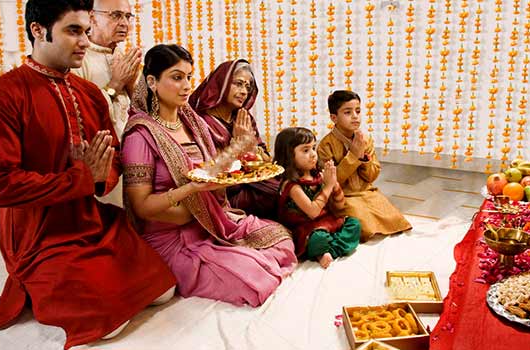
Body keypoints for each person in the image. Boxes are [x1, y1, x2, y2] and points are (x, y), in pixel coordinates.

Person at [0, 1, 176, 348]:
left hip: (92, 222)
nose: (84, 41)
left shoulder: (89, 94)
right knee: (107, 324)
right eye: (73, 31)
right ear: (38, 30)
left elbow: (115, 158)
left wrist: (98, 175)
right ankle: (45, 285)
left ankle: (86, 280)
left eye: (86, 32)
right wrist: (80, 177)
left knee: (164, 290)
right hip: (40, 237)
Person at [123, 44, 297, 307]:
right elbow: (141, 207)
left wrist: (237, 150)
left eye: (189, 77)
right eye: (177, 77)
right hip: (172, 237)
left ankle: (238, 254)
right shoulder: (140, 135)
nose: (187, 86)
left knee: (282, 238)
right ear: (152, 81)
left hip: (212, 222)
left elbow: (210, 174)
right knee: (256, 280)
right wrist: (189, 194)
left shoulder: (192, 123)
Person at [72, 0, 142, 207]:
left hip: (132, 151)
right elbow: (77, 113)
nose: (124, 23)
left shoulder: (122, 56)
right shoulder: (78, 59)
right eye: (116, 15)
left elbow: (144, 110)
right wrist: (115, 84)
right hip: (101, 157)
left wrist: (131, 84)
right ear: (92, 16)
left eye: (128, 17)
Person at [188, 59, 278, 219]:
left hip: (254, 183)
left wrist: (249, 148)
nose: (244, 91)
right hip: (224, 193)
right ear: (221, 84)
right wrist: (237, 145)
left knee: (291, 187)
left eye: (247, 87)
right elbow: (209, 168)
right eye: (238, 84)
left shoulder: (243, 117)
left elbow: (266, 160)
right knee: (282, 196)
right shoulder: (201, 122)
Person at [317, 90, 412, 241]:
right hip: (343, 196)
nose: (355, 116)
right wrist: (353, 156)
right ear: (334, 118)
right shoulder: (325, 145)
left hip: (366, 192)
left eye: (358, 111)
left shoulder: (365, 140)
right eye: (348, 112)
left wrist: (362, 156)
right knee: (363, 224)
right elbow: (333, 181)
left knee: (394, 218)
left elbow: (372, 176)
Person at [274, 127, 361, 268]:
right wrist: (327, 187)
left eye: (313, 148)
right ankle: (323, 249)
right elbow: (313, 212)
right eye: (305, 150)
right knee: (318, 239)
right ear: (289, 155)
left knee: (354, 224)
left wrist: (335, 185)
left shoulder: (318, 176)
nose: (313, 154)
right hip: (305, 228)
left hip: (326, 221)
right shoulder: (292, 186)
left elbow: (340, 207)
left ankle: (329, 252)